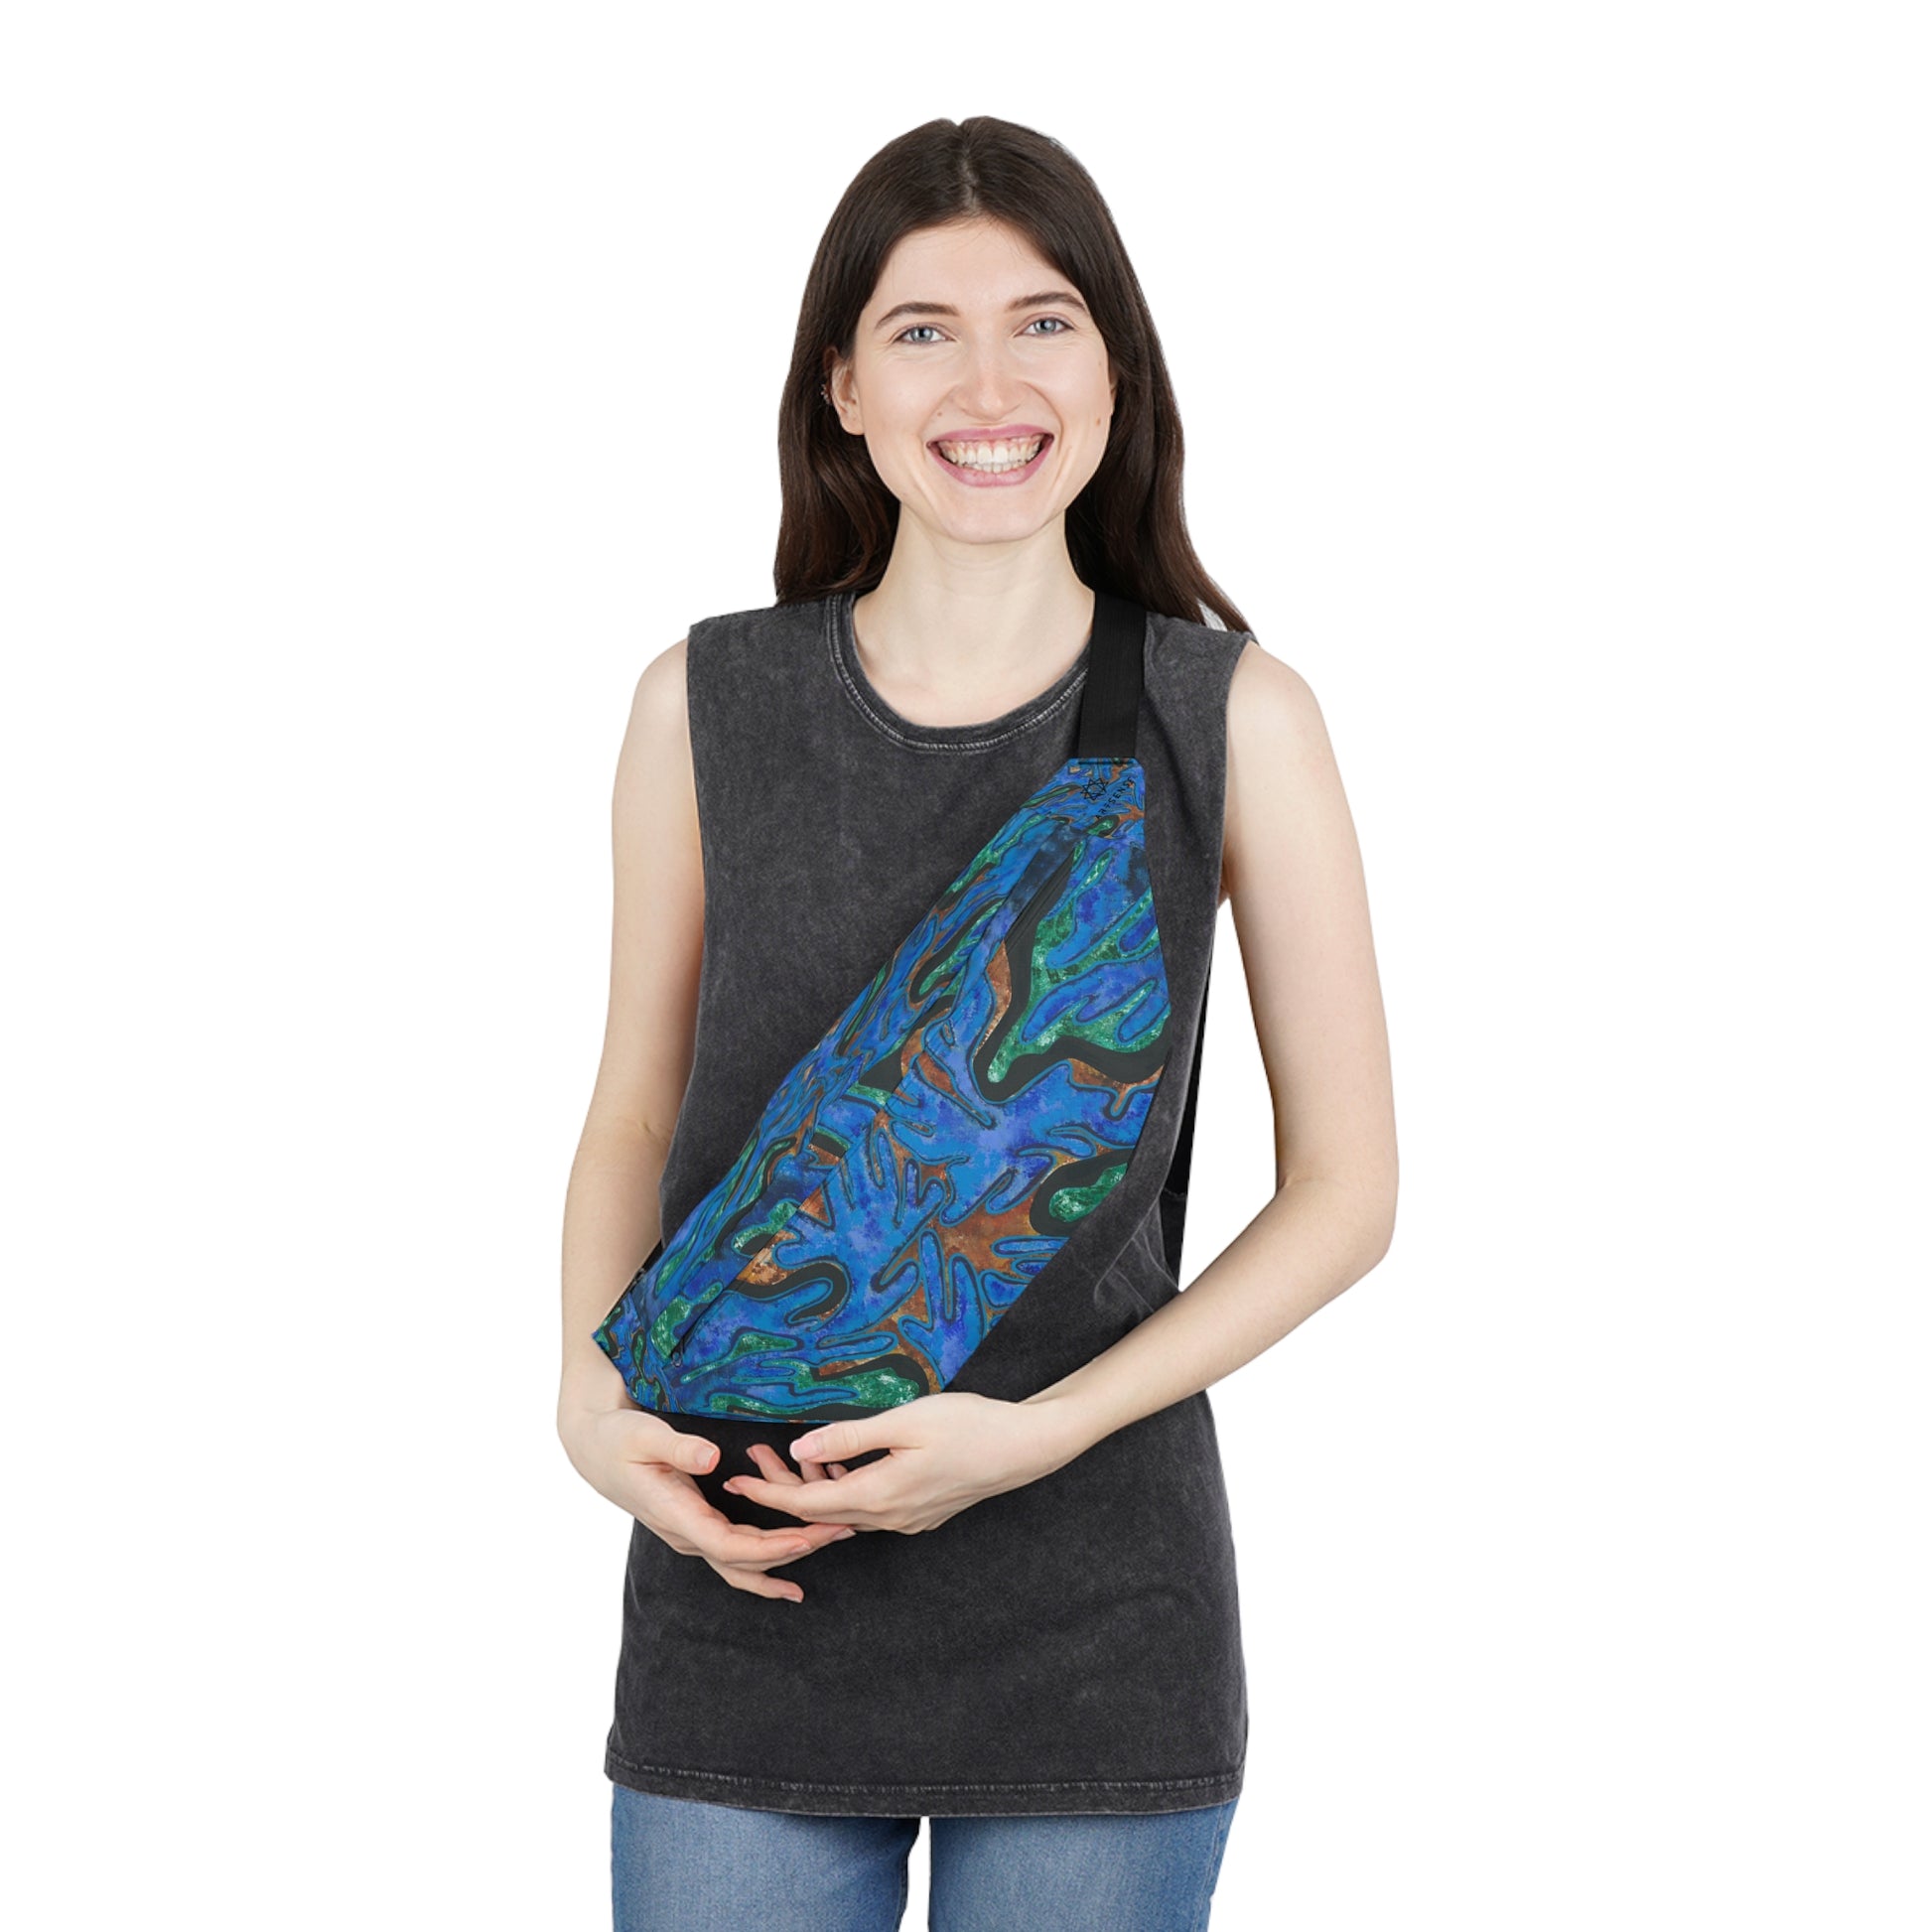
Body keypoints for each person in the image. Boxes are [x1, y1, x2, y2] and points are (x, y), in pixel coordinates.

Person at [557, 115, 1398, 1932]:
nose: (989, 384)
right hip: (742, 1571)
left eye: (1044, 323)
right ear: (844, 388)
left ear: (1113, 377)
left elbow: (1347, 1192)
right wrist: (584, 1392)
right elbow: (636, 1102)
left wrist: (1035, 1433)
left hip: (1095, 1607)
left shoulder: (1233, 717)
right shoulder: (699, 702)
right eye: (923, 330)